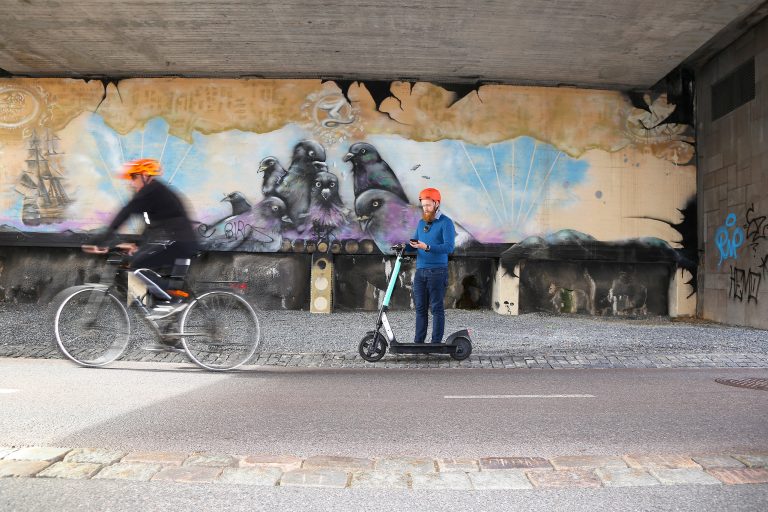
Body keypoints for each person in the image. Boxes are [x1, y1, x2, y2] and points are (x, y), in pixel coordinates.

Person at [82, 158, 198, 313]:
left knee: (137, 265)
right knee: (134, 262)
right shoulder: (154, 194)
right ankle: (158, 306)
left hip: (180, 242)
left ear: (145, 175)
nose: (131, 182)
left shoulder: (153, 190)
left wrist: (102, 239)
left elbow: (126, 211)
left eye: (134, 177)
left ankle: (172, 300)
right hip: (176, 240)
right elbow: (150, 226)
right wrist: (137, 245)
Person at [408, 187, 456, 343]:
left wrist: (427, 247)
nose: (425, 208)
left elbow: (449, 247)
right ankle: (418, 343)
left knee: (436, 309)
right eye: (423, 205)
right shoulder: (422, 222)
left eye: (428, 205)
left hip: (437, 271)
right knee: (420, 309)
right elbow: (415, 242)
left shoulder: (446, 223)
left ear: (436, 203)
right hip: (420, 272)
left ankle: (436, 343)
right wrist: (404, 246)